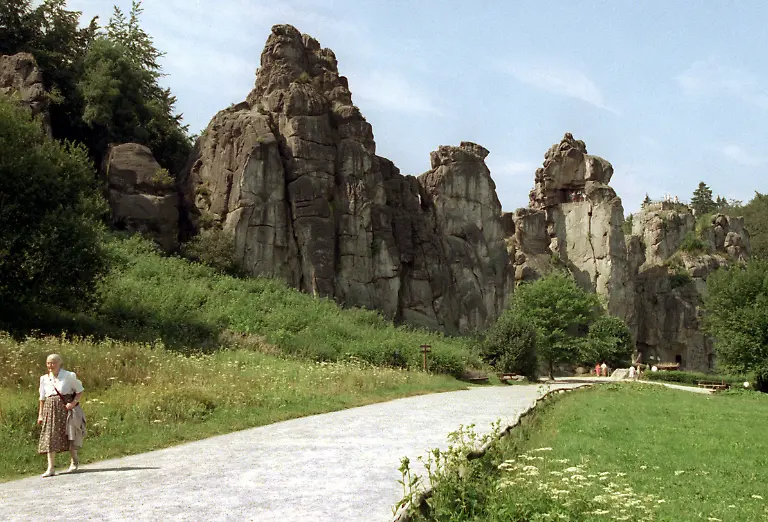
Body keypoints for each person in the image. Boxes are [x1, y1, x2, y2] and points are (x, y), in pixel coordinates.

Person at [38, 353, 85, 477]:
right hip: (50, 409)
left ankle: (74, 461)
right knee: (50, 436)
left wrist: (73, 403)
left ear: (59, 363)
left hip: (66, 409)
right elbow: (42, 398)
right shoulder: (44, 378)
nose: (50, 365)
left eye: (53, 362)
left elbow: (79, 390)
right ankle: (51, 468)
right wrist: (40, 415)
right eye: (48, 363)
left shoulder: (69, 376)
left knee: (70, 434)